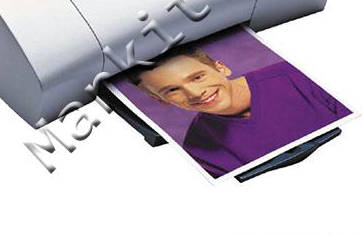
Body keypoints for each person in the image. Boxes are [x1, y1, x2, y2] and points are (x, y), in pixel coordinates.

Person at [127, 45, 352, 178]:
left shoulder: (297, 77)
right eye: (172, 90)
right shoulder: (199, 145)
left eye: (198, 77)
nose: (195, 93)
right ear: (160, 100)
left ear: (221, 67)